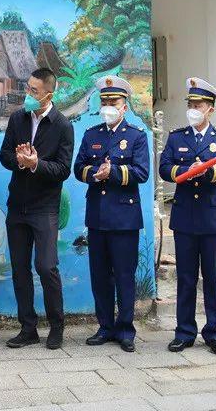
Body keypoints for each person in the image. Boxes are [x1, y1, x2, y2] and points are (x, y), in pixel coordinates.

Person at [0, 68, 74, 350]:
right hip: (17, 204)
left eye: (33, 91)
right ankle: (28, 328)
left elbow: (63, 170)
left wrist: (36, 164)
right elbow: (4, 154)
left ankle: (57, 326)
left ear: (48, 94)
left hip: (45, 207)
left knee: (45, 266)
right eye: (27, 88)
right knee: (19, 268)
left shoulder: (62, 125)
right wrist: (19, 161)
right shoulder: (17, 118)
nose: (27, 94)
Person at [159, 77, 216, 355]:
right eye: (190, 104)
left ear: (210, 109)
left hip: (212, 218)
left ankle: (214, 332)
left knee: (212, 279)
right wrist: (184, 170)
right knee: (186, 278)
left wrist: (207, 170)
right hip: (185, 218)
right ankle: (184, 331)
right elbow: (165, 168)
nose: (193, 108)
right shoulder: (177, 136)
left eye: (198, 104)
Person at [74, 76, 149, 353]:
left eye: (113, 101)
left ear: (124, 106)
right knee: (100, 275)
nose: (107, 106)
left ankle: (125, 329)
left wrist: (114, 173)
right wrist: (95, 173)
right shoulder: (92, 134)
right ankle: (105, 326)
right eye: (104, 101)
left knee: (124, 275)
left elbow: (141, 172)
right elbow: (79, 168)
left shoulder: (136, 136)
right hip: (97, 218)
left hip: (124, 219)